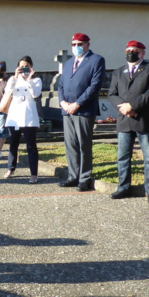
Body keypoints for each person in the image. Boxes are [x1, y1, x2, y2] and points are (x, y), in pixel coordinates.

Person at [108, 41, 149, 205]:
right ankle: (124, 187)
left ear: (142, 53)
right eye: (128, 50)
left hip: (144, 119)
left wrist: (133, 107)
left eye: (135, 51)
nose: (131, 53)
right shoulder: (118, 72)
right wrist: (124, 108)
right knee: (123, 157)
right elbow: (112, 93)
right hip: (125, 120)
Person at [57, 33, 106, 191]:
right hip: (67, 110)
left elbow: (95, 86)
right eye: (74, 44)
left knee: (84, 144)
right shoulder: (69, 63)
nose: (76, 47)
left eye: (80, 44)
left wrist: (78, 104)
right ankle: (73, 176)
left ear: (87, 45)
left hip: (84, 110)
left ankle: (84, 178)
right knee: (70, 144)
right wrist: (63, 102)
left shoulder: (96, 60)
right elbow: (61, 85)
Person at [3, 57, 42, 183]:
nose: (24, 69)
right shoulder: (13, 79)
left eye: (27, 66)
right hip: (15, 114)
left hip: (29, 114)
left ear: (31, 67)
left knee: (31, 145)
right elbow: (7, 91)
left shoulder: (36, 80)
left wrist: (29, 80)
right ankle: (11, 168)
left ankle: (34, 174)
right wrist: (15, 77)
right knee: (13, 143)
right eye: (21, 66)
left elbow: (35, 94)